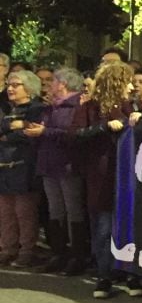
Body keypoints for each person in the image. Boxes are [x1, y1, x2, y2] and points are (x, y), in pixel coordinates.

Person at [74, 62, 138, 299]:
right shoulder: (90, 108)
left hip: (128, 177)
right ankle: (104, 276)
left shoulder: (130, 106)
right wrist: (103, 127)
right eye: (128, 81)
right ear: (117, 82)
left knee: (129, 226)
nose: (132, 87)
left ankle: (131, 273)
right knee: (103, 227)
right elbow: (76, 134)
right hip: (101, 176)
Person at [23, 67, 92, 275]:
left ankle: (77, 255)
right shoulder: (51, 107)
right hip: (48, 163)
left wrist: (45, 131)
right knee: (55, 210)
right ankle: (58, 252)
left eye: (53, 81)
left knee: (73, 210)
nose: (49, 85)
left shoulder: (77, 106)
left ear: (63, 84)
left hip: (67, 164)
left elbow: (72, 134)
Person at [0, 70, 47, 266]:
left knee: (24, 211)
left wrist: (8, 134)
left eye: (15, 85)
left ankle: (27, 250)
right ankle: (8, 248)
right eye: (9, 85)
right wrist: (13, 127)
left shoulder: (38, 109)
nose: (10, 88)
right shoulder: (7, 108)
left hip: (26, 166)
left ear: (29, 88)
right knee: (5, 211)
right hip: (4, 166)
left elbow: (30, 134)